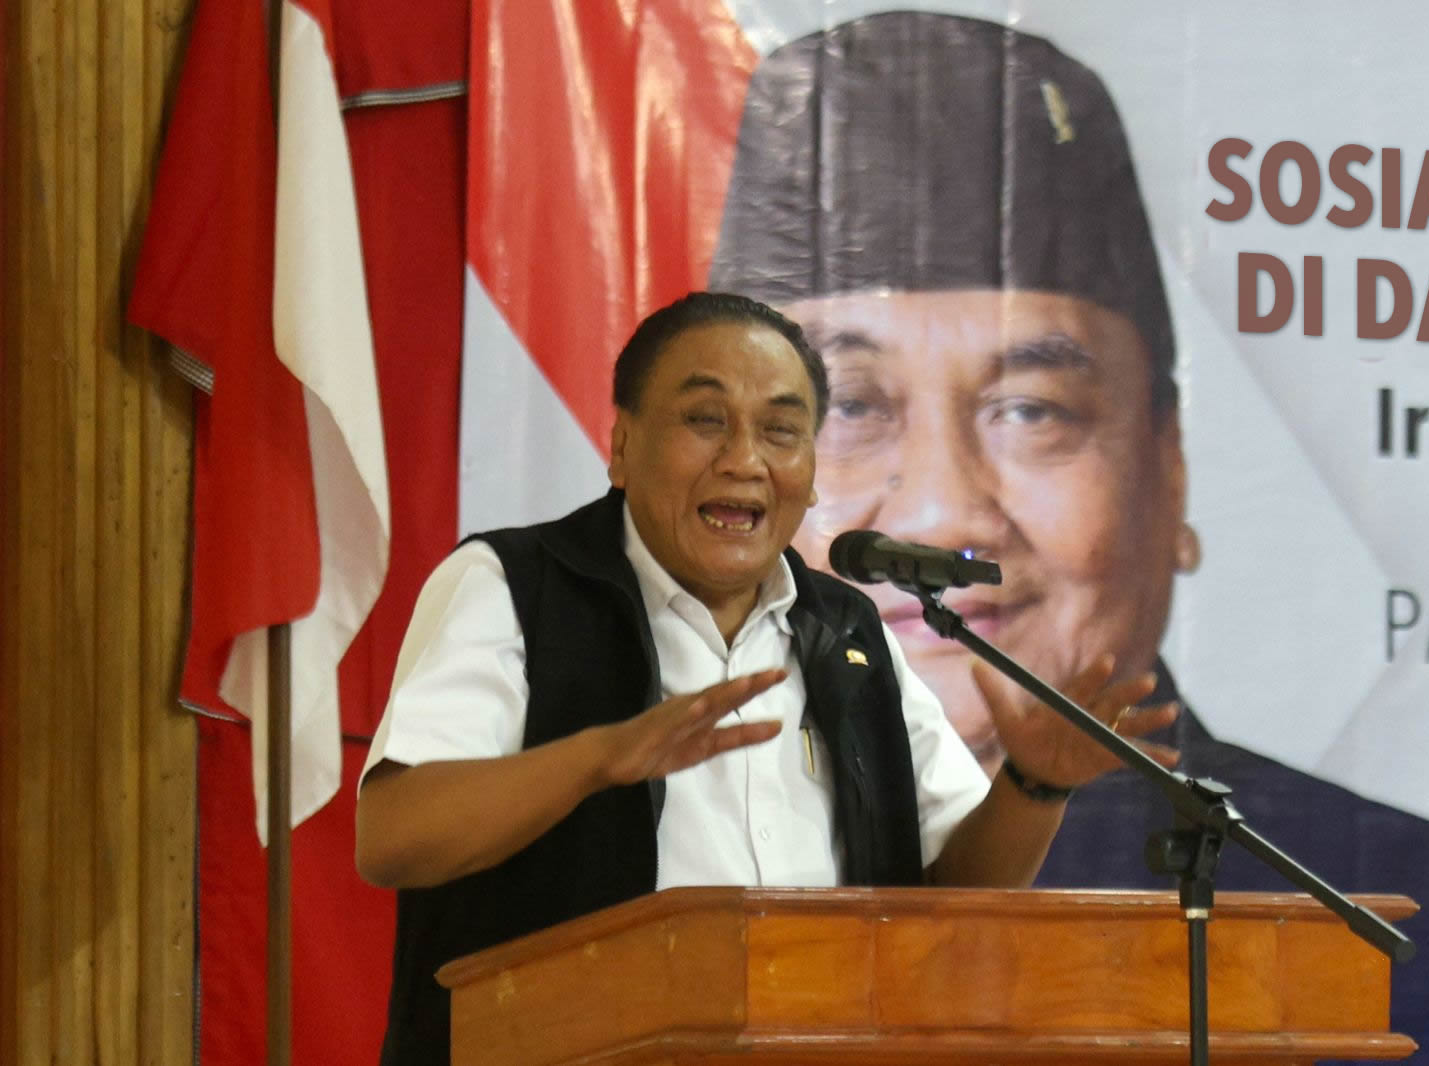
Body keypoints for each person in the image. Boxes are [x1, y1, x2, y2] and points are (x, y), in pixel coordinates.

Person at [706, 11, 1429, 1065]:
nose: (943, 509)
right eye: (850, 405)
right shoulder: (656, 865)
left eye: (1031, 410)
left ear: (1169, 473)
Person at [354, 291, 1179, 1066]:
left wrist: (1033, 787)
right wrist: (597, 758)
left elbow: (950, 897)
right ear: (622, 446)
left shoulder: (845, 631)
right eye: (704, 420)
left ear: (811, 472)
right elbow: (393, 838)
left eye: (781, 430)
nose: (744, 460)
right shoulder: (515, 586)